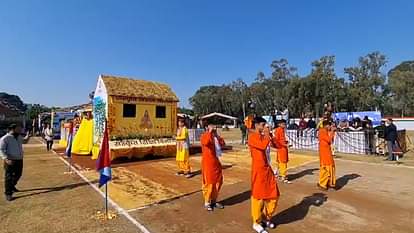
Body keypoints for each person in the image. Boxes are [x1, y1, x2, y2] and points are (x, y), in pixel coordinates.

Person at [248, 117, 280, 233]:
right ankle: (256, 222)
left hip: (268, 170)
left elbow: (276, 145)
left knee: (274, 195)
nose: (264, 126)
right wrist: (267, 133)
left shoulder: (264, 136)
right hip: (258, 171)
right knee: (258, 197)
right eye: (262, 124)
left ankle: (267, 217)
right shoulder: (252, 137)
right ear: (256, 125)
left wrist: (272, 136)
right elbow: (262, 146)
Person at [200, 122, 225, 211]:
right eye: (211, 127)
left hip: (216, 162)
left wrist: (216, 135)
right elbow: (206, 142)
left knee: (218, 181)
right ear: (207, 127)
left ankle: (214, 200)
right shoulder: (204, 136)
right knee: (209, 183)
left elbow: (223, 143)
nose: (213, 128)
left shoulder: (215, 137)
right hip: (208, 163)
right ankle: (207, 201)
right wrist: (209, 132)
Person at [0, 124, 29, 201]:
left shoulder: (19, 137)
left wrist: (28, 136)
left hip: (19, 159)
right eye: (18, 129)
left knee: (18, 174)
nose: (20, 130)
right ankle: (8, 193)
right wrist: (6, 159)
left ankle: (12, 186)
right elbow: (1, 150)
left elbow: (24, 141)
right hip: (10, 160)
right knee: (8, 177)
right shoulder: (5, 139)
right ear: (12, 129)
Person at [318, 120, 336, 190]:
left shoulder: (325, 131)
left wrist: (332, 132)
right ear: (326, 125)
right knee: (326, 168)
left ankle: (328, 182)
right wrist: (332, 131)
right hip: (324, 152)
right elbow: (328, 140)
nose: (330, 127)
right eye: (329, 126)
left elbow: (331, 140)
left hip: (327, 151)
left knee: (330, 166)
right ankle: (323, 183)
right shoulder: (322, 131)